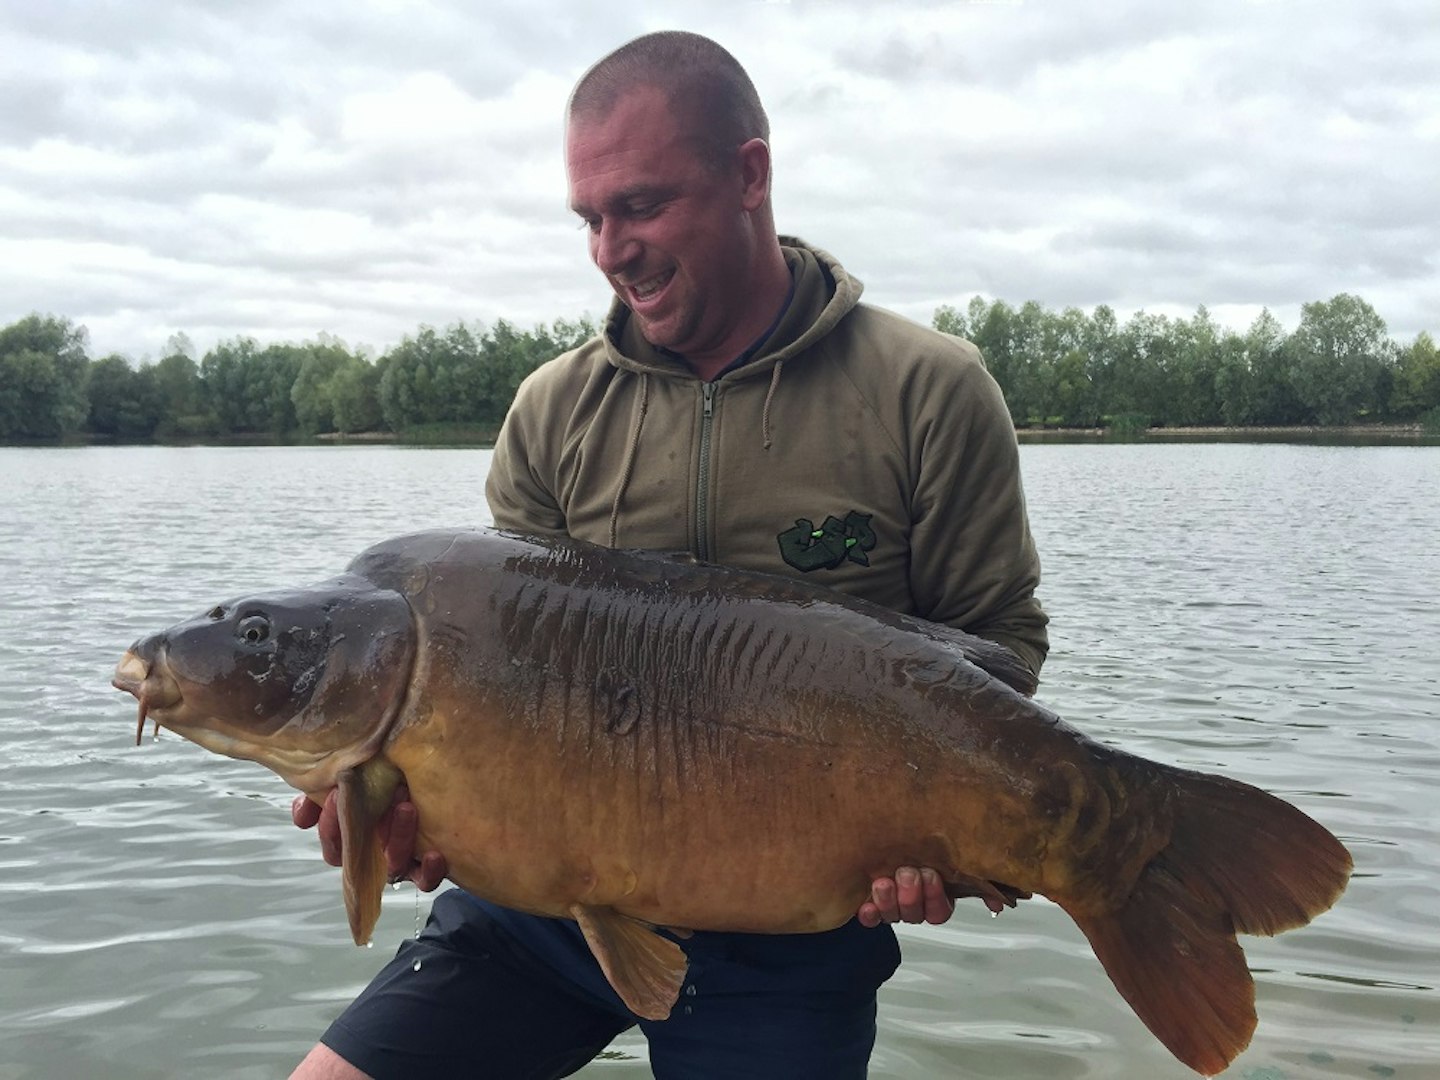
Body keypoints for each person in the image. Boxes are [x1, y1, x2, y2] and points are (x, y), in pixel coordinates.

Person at [290, 30, 1047, 1080]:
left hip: (793, 934)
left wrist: (947, 853)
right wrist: (415, 818)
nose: (609, 248)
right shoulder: (551, 412)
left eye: (640, 206)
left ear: (750, 176)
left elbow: (998, 657)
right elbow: (498, 686)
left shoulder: (927, 390)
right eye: (590, 219)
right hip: (546, 914)